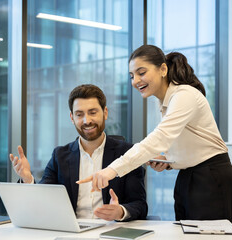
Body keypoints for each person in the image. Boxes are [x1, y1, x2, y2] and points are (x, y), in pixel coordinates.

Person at [77, 45, 232, 227]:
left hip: (211, 178)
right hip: (189, 177)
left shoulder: (184, 95)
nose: (135, 81)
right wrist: (169, 160)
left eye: (141, 72)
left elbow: (160, 138)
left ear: (163, 69)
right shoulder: (164, 102)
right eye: (132, 76)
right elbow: (182, 142)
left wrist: (111, 170)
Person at [10, 84, 147, 222]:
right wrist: (28, 180)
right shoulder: (60, 156)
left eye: (93, 112)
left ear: (105, 113)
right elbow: (43, 200)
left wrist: (120, 212)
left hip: (111, 230)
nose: (87, 121)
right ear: (72, 117)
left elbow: (140, 205)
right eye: (79, 114)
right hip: (72, 231)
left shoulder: (127, 153)